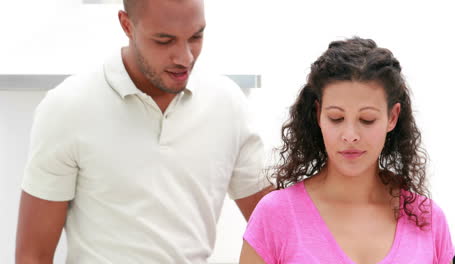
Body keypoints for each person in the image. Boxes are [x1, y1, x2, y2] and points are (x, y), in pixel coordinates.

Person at [15, 0, 271, 263]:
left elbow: (282, 229)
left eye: (196, 36)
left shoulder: (228, 103)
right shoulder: (67, 108)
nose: (185, 58)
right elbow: (33, 255)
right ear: (127, 24)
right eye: (164, 40)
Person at [239, 37, 455, 264]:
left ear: (392, 117)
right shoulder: (275, 216)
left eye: (367, 119)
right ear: (318, 114)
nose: (350, 134)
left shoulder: (428, 220)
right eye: (337, 118)